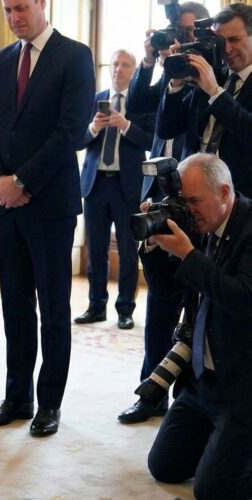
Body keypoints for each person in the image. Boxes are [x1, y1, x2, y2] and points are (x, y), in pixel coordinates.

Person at [0, 0, 95, 436]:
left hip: (50, 205)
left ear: (43, 4)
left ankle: (49, 405)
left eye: (21, 8)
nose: (14, 18)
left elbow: (71, 130)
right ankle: (18, 396)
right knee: (15, 306)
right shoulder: (3, 60)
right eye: (7, 10)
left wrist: (23, 181)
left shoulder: (75, 56)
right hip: (5, 204)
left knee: (53, 308)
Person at [117, 2, 210, 424]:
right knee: (158, 301)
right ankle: (152, 393)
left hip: (197, 200)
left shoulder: (211, 77)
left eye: (189, 35)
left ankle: (193, 400)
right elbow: (140, 102)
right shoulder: (172, 76)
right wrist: (152, 61)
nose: (181, 43)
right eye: (176, 35)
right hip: (156, 194)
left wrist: (194, 73)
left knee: (195, 306)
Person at [146, 153, 252, 500]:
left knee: (212, 492)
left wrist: (189, 256)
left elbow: (242, 300)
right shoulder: (201, 225)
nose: (188, 210)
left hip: (242, 387)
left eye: (194, 201)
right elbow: (166, 291)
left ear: (224, 193)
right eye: (183, 201)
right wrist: (154, 245)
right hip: (202, 381)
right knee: (164, 466)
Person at [74, 49, 152, 330]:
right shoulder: (94, 100)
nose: (119, 69)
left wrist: (126, 125)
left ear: (134, 71)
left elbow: (151, 140)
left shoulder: (141, 102)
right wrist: (93, 128)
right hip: (95, 184)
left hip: (127, 185)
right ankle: (96, 306)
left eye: (125, 65)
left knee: (129, 251)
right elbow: (78, 141)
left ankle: (125, 310)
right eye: (115, 64)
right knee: (96, 249)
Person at [157, 3, 252, 197]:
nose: (227, 49)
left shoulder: (212, 82)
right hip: (194, 194)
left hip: (242, 197)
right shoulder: (213, 74)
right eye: (221, 41)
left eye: (234, 39)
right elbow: (167, 128)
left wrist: (215, 92)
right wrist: (176, 80)